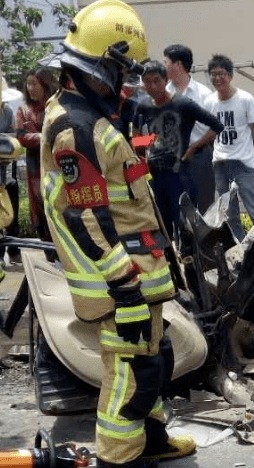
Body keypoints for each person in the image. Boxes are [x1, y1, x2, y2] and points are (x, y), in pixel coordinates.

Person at [40, 1, 196, 467]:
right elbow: (85, 217)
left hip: (137, 273)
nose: (123, 82)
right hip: (120, 282)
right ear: (99, 64)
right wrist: (125, 288)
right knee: (130, 374)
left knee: (154, 360)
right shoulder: (75, 125)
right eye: (119, 69)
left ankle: (151, 438)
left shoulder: (87, 114)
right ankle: (117, 456)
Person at [134, 60, 224, 241]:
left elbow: (217, 125)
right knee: (162, 227)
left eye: (156, 80)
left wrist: (193, 147)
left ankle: (192, 264)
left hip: (181, 174)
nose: (151, 86)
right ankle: (170, 264)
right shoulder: (143, 106)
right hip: (157, 175)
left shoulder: (184, 104)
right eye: (147, 82)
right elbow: (136, 140)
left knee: (186, 226)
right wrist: (148, 144)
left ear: (166, 80)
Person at [206, 54, 254, 240]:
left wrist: (252, 155)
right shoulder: (209, 102)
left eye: (221, 74)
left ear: (230, 75)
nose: (217, 78)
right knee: (229, 213)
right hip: (220, 164)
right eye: (213, 75)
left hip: (242, 163)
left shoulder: (245, 99)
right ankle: (239, 247)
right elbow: (209, 133)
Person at [163, 44, 216, 213]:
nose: (163, 67)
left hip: (200, 158)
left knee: (205, 207)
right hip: (173, 159)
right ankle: (182, 239)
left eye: (166, 63)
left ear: (178, 65)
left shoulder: (203, 94)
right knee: (179, 208)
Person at [15, 67, 57, 250]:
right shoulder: (23, 110)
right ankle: (49, 252)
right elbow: (21, 137)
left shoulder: (56, 106)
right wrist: (43, 137)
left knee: (58, 205)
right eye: (28, 84)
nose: (30, 88)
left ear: (45, 85)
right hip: (35, 165)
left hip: (56, 163)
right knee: (39, 209)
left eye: (34, 83)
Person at [0, 82, 20, 266]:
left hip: (2, 170)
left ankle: (8, 252)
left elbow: (12, 137)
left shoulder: (7, 111)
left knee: (5, 214)